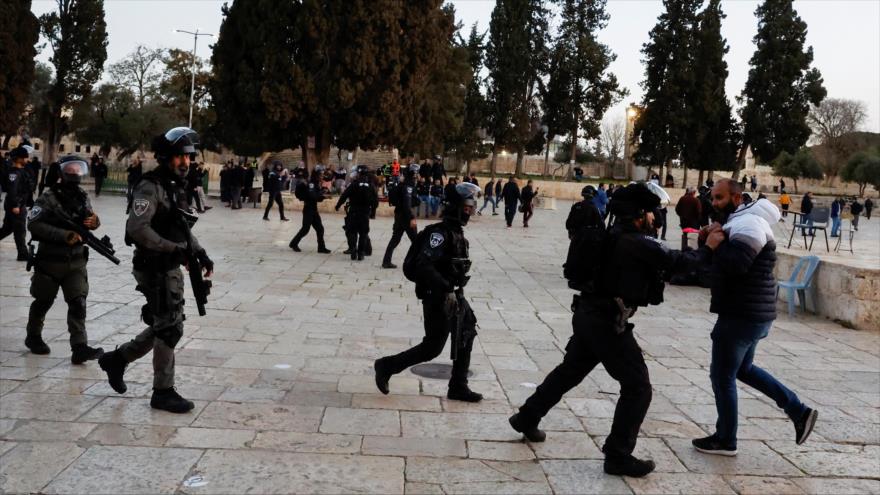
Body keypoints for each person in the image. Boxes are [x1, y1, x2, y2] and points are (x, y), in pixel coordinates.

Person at [509, 182, 723, 478]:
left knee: (569, 371)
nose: (653, 218)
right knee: (638, 388)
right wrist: (709, 247)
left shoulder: (612, 235)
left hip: (587, 315)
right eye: (650, 212)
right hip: (608, 323)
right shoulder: (637, 242)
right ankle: (618, 455)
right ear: (639, 214)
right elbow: (680, 263)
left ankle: (526, 417)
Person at [693, 179, 817, 456]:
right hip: (752, 313)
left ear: (737, 198)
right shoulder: (741, 220)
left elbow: (737, 264)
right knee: (743, 370)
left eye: (720, 198)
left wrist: (715, 244)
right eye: (712, 198)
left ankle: (726, 440)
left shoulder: (749, 223)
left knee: (721, 376)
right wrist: (712, 237)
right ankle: (799, 411)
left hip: (741, 315)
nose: (714, 204)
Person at [98, 127, 214, 414]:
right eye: (178, 157)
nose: (185, 163)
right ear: (165, 157)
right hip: (153, 266)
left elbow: (181, 226)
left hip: (170, 265)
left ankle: (118, 359)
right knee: (169, 327)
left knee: (167, 324)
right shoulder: (150, 186)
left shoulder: (174, 186)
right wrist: (173, 249)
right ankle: (163, 391)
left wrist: (199, 252)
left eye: (188, 157)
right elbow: (137, 229)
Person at [374, 182, 483, 402]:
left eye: (471, 207)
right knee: (432, 347)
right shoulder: (440, 234)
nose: (470, 211)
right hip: (437, 296)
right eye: (467, 207)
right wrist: (445, 289)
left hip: (452, 294)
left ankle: (458, 386)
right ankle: (386, 366)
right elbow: (424, 265)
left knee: (466, 332)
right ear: (456, 207)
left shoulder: (456, 233)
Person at [24, 156, 105, 363]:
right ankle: (33, 336)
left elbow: (89, 219)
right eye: (71, 169)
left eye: (78, 169)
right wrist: (64, 235)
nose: (75, 172)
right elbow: (33, 224)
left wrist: (95, 222)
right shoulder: (48, 197)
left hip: (76, 262)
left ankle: (79, 347)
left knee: (78, 303)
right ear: (61, 172)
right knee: (43, 301)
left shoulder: (81, 196)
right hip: (50, 262)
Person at [335, 165, 378, 260]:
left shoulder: (354, 184)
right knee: (363, 233)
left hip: (353, 212)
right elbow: (375, 201)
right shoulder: (371, 186)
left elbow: (344, 195)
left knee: (352, 232)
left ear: (358, 173)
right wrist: (373, 212)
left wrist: (338, 206)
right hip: (365, 213)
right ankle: (361, 253)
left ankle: (353, 250)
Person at [382, 167, 419, 268]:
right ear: (413, 175)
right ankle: (415, 263)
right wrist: (411, 217)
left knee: (395, 239)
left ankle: (386, 261)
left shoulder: (402, 185)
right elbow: (407, 204)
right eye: (416, 174)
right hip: (406, 216)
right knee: (416, 241)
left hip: (398, 215)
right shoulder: (408, 186)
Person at [0, 146, 33, 261]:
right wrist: (16, 205)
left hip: (17, 204)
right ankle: (23, 254)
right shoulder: (14, 174)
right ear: (19, 159)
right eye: (25, 158)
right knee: (20, 230)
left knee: (7, 228)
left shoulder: (20, 172)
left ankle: (23, 253)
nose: (27, 160)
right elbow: (13, 190)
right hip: (16, 206)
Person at [289, 169, 331, 253]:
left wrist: (323, 191)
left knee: (320, 229)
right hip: (309, 209)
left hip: (313, 209)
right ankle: (293, 243)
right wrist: (324, 196)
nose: (322, 176)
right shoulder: (311, 184)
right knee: (305, 229)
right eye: (321, 175)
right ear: (316, 175)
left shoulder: (315, 183)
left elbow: (316, 195)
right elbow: (313, 197)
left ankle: (321, 248)